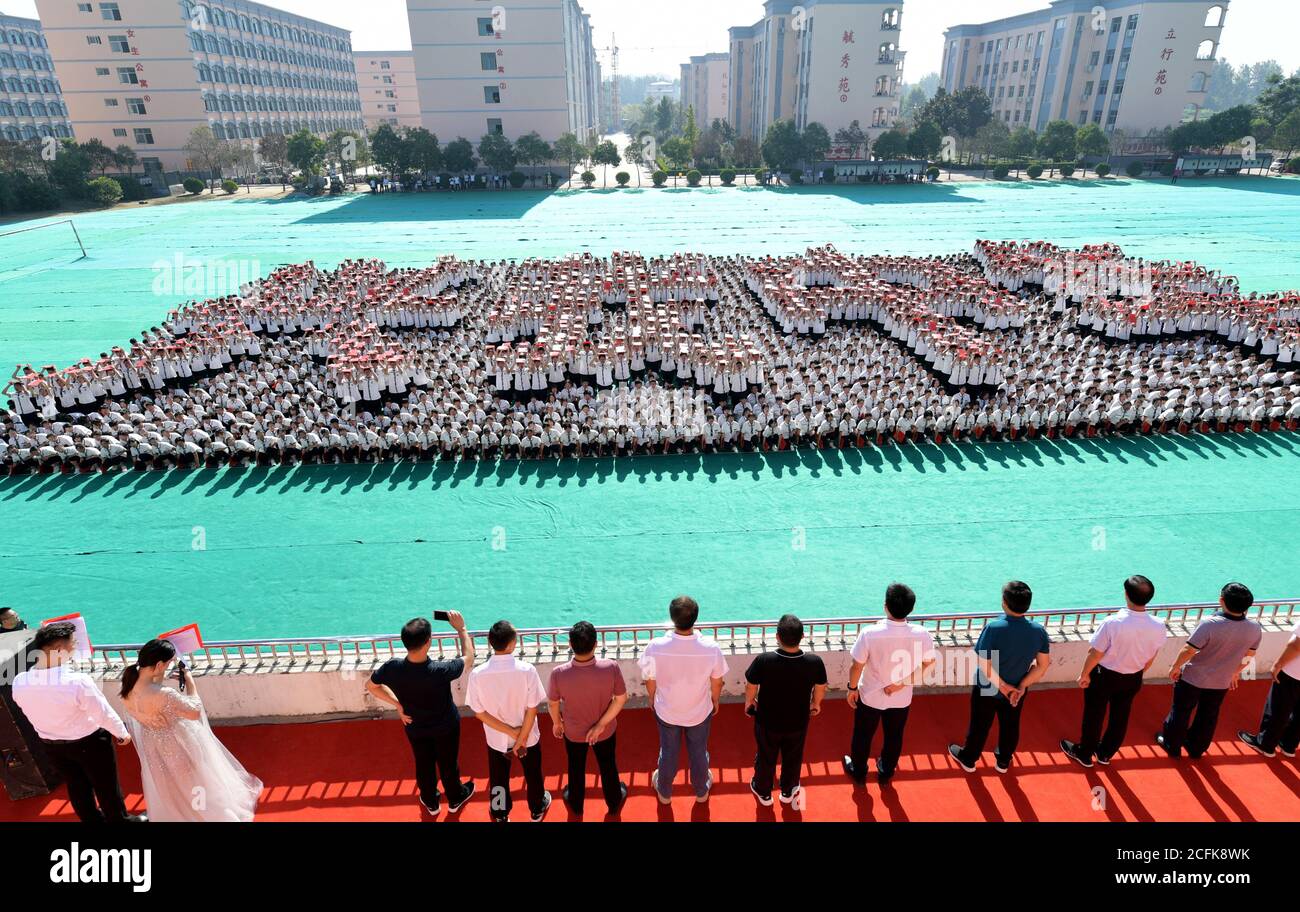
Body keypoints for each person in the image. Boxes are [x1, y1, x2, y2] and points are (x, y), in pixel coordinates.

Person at [11, 622, 145, 823]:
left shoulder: (20, 681)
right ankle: (119, 820)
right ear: (58, 650)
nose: (75, 647)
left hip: (51, 745)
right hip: (89, 742)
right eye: (73, 643)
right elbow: (102, 712)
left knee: (76, 785)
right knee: (105, 785)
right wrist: (121, 733)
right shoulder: (77, 681)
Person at [119, 638, 262, 821]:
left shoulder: (128, 683)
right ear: (159, 664)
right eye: (169, 663)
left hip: (152, 743)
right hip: (177, 743)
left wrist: (160, 675)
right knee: (195, 782)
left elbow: (153, 692)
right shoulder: (164, 694)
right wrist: (190, 682)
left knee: (171, 784)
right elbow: (194, 711)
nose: (170, 665)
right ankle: (203, 815)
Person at [366, 611, 476, 817]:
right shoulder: (440, 670)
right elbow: (468, 659)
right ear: (428, 642)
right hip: (446, 726)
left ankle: (430, 801)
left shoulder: (392, 668)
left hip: (415, 726)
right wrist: (461, 629)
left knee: (423, 763)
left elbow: (372, 686)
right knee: (448, 763)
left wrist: (397, 705)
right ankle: (455, 797)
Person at [1061, 575, 1167, 767]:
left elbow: (1095, 653)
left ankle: (1085, 754)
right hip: (1133, 677)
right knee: (1121, 716)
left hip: (1104, 676)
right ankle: (1105, 753)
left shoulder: (1112, 622)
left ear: (1126, 594)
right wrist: (1137, 671)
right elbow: (1151, 656)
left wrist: (1084, 674)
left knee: (1094, 714)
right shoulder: (1159, 625)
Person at [949, 581, 1051, 773]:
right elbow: (1043, 665)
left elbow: (984, 664)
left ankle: (969, 759)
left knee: (980, 724)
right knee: (1010, 725)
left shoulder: (994, 628)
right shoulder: (1038, 631)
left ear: (1004, 602)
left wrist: (1002, 686)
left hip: (988, 687)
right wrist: (1020, 687)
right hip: (1017, 689)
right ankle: (1003, 761)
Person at [843, 584, 936, 786]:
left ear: (886, 606)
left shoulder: (869, 633)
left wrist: (851, 689)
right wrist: (899, 685)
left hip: (869, 697)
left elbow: (856, 666)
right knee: (894, 736)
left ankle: (858, 771)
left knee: (862, 735)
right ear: (911, 608)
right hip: (901, 699)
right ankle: (886, 772)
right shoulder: (921, 634)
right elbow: (929, 665)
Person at [639, 595, 728, 804]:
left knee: (668, 751)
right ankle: (701, 790)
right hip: (699, 711)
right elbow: (717, 681)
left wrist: (652, 699)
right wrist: (715, 700)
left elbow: (649, 679)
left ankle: (664, 792)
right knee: (698, 751)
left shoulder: (655, 646)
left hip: (667, 711)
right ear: (695, 618)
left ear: (672, 618)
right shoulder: (711, 648)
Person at [1158, 582, 1262, 759]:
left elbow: (1189, 650)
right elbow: (1249, 654)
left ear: (1222, 600)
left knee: (1181, 711)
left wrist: (1175, 666)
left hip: (1192, 678)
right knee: (1209, 715)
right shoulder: (1254, 629)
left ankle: (1172, 745)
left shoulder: (1209, 624)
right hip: (1221, 682)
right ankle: (1196, 748)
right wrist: (1235, 671)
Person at [466, 620, 551, 822]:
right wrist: (520, 737)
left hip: (497, 740)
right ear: (512, 643)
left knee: (498, 778)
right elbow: (533, 708)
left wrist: (510, 733)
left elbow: (479, 713)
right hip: (528, 736)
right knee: (533, 773)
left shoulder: (477, 674)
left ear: (490, 642)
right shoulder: (527, 670)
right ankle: (537, 807)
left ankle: (500, 813)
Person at [546, 620, 629, 817]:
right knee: (608, 765)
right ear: (595, 644)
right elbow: (621, 699)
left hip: (573, 732)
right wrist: (600, 725)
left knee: (575, 766)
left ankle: (576, 803)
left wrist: (557, 723)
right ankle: (614, 801)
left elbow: (552, 703)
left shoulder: (559, 673)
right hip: (605, 731)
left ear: (570, 644)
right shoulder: (611, 667)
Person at [744, 614, 827, 806]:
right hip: (798, 721)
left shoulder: (764, 660)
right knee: (793, 755)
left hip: (767, 721)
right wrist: (816, 704)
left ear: (777, 637)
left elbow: (751, 684)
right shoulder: (814, 662)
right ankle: (788, 790)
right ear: (803, 637)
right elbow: (820, 686)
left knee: (766, 755)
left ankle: (763, 791)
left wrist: (749, 702)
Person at [1239, 618, 1300, 758]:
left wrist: (1278, 664)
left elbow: (1296, 645)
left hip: (1293, 673)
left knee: (1279, 708)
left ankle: (1266, 744)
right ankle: (1289, 745)